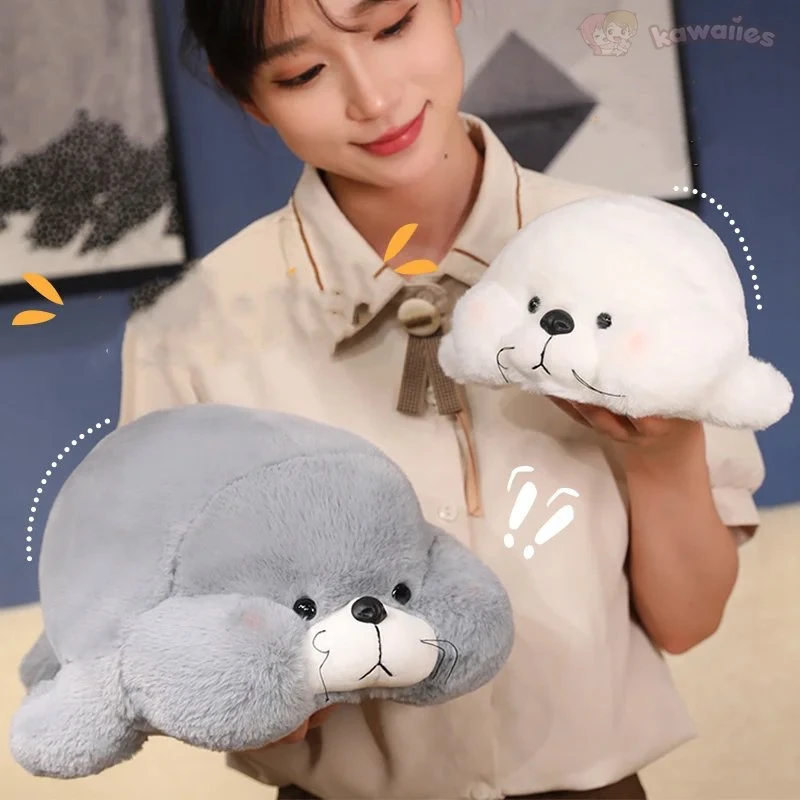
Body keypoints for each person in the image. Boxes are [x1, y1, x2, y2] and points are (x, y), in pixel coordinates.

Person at [119, 1, 765, 798]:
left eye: (392, 27)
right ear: (245, 93)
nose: (374, 98)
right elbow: (168, 644)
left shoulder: (643, 257)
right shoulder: (188, 332)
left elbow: (688, 624)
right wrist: (261, 693)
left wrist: (666, 452)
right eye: (304, 73)